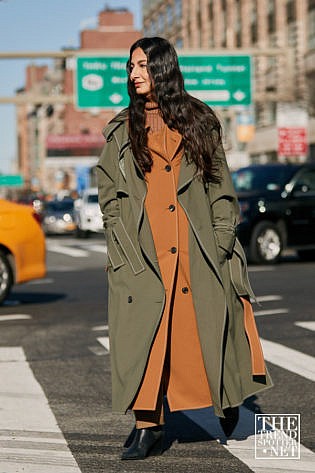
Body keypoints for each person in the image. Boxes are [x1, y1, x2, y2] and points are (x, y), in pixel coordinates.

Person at [96, 37, 272, 461]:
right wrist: (121, 246)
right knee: (146, 338)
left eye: (142, 65)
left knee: (211, 329)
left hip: (198, 248)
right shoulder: (122, 130)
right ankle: (147, 425)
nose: (134, 73)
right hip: (144, 253)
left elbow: (220, 187)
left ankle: (227, 398)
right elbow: (109, 194)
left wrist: (222, 239)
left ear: (162, 68)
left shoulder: (199, 122)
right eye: (130, 67)